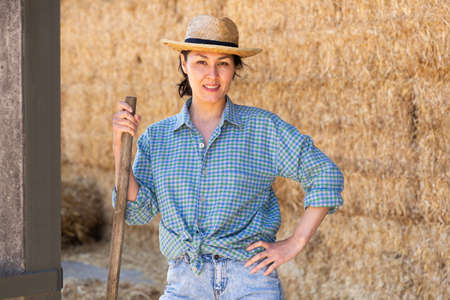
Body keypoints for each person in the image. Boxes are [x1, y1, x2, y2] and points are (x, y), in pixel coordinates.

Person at [112, 15, 344, 300]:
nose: (212, 74)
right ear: (184, 64)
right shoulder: (157, 138)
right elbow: (138, 210)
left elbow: (324, 174)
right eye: (201, 61)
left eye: (223, 63)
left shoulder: (262, 128)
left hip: (250, 282)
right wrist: (119, 147)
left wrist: (295, 242)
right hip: (185, 284)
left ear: (235, 69)